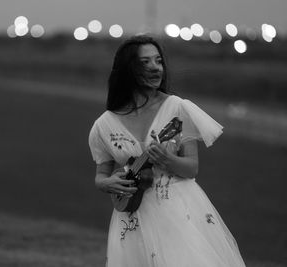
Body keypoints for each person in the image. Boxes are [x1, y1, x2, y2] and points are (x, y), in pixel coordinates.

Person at [88, 35, 246, 267]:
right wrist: (105, 183)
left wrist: (168, 159)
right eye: (145, 62)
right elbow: (101, 175)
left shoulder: (178, 108)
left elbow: (192, 168)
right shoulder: (104, 124)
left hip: (178, 213)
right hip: (132, 216)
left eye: (158, 61)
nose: (155, 68)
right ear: (127, 69)